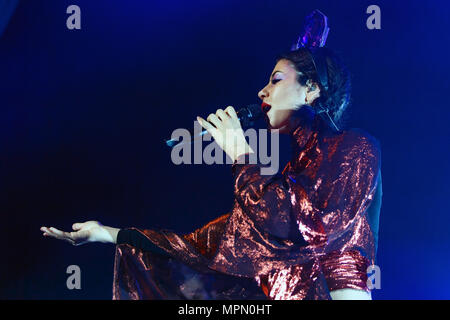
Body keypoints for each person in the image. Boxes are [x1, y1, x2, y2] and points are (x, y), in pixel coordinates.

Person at [41, 46, 382, 300]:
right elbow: (207, 247)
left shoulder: (356, 147)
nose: (262, 92)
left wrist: (240, 153)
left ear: (312, 90)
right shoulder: (285, 174)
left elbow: (299, 224)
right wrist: (109, 234)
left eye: (276, 80)